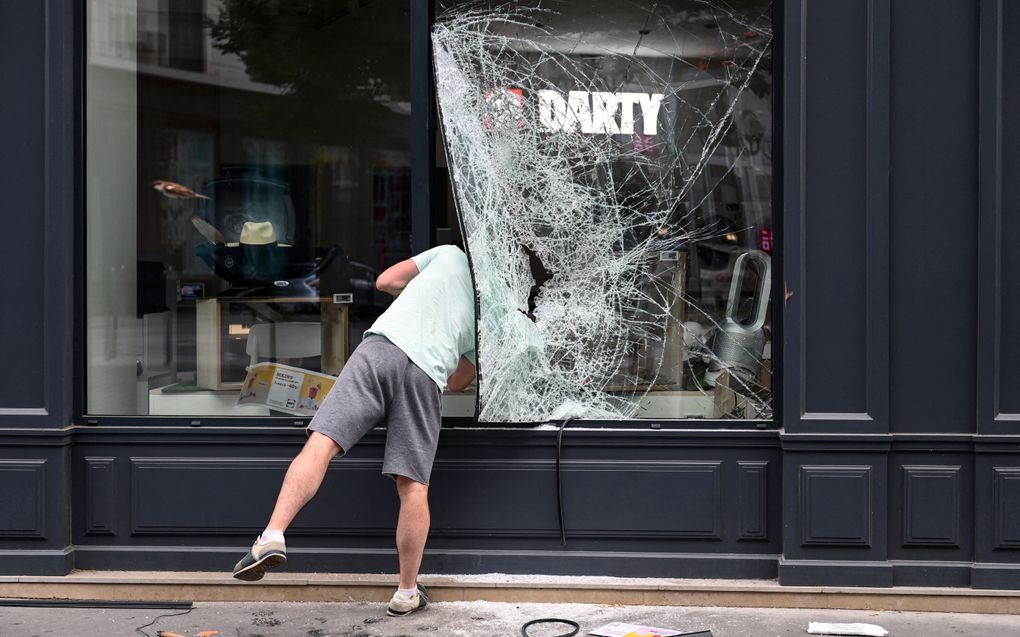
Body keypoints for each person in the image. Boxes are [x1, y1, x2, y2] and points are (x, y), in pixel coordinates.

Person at [232, 244, 476, 617]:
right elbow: (459, 382)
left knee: (321, 444)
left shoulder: (450, 254)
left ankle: (271, 536)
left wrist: (417, 295)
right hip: (427, 371)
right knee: (413, 485)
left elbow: (385, 281)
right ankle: (407, 591)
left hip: (382, 348)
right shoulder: (490, 314)